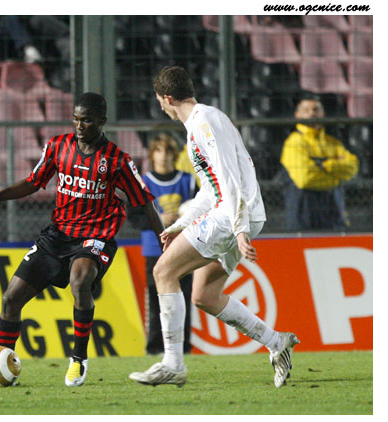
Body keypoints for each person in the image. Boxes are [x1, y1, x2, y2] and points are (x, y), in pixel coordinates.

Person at [0, 92, 164, 388]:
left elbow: (145, 203)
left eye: (87, 120)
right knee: (11, 298)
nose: (80, 125)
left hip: (95, 236)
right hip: (57, 236)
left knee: (80, 279)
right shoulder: (58, 146)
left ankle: (78, 359)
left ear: (102, 121)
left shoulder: (117, 160)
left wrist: (165, 243)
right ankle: (0, 367)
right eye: (75, 119)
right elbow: (34, 182)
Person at [129, 65, 299, 389]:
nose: (161, 108)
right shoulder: (200, 123)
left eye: (160, 101)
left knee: (163, 271)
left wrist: (239, 229)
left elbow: (229, 179)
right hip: (235, 214)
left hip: (230, 216)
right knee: (205, 295)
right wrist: (182, 224)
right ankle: (277, 342)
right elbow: (210, 189)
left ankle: (173, 364)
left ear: (167, 98)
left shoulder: (205, 121)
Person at [128, 134, 197, 355]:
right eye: (159, 150)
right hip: (154, 248)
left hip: (183, 247)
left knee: (183, 297)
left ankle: (183, 346)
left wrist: (183, 219)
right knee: (156, 297)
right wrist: (158, 220)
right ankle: (155, 346)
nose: (164, 156)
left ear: (174, 155)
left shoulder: (188, 180)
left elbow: (200, 210)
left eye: (168, 151)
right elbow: (134, 217)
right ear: (152, 155)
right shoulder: (144, 183)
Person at [280, 97, 359, 231]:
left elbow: (352, 167)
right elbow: (305, 179)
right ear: (297, 115)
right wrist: (336, 176)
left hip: (333, 210)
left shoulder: (333, 143)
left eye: (316, 109)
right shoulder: (294, 143)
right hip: (303, 212)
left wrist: (324, 166)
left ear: (323, 114)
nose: (312, 113)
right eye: (306, 110)